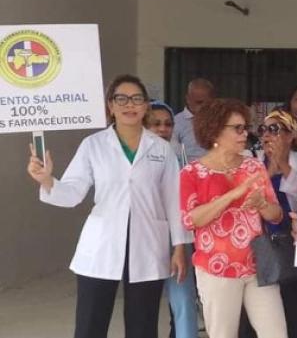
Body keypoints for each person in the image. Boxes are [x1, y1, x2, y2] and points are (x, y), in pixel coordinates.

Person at [27, 74, 189, 338]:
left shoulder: (161, 148)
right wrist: (47, 180)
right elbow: (72, 193)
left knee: (144, 326)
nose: (129, 104)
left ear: (146, 105)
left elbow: (174, 200)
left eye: (137, 98)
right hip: (101, 244)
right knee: (91, 323)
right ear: (110, 106)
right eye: (121, 98)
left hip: (148, 243)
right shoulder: (93, 145)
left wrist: (179, 247)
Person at [179, 98, 288, 338]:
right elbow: (191, 220)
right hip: (216, 270)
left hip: (257, 265)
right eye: (237, 128)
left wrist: (261, 205)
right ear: (215, 129)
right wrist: (233, 195)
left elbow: (276, 214)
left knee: (276, 333)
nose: (244, 134)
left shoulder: (253, 167)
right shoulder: (192, 173)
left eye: (245, 127)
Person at [254, 109, 297, 338]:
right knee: (263, 316)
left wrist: (284, 165)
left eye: (274, 129)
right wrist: (270, 169)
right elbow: (250, 197)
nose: (267, 134)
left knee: (295, 312)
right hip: (260, 247)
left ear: (290, 135)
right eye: (263, 129)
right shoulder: (252, 159)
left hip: (294, 245)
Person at [147, 100, 199, 338]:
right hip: (144, 238)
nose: (162, 129)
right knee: (144, 303)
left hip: (177, 239)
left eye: (167, 124)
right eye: (155, 124)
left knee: (184, 300)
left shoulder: (180, 158)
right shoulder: (132, 161)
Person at [173, 78, 215, 163]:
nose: (203, 106)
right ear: (188, 99)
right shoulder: (176, 122)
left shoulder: (218, 120)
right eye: (199, 102)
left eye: (207, 103)